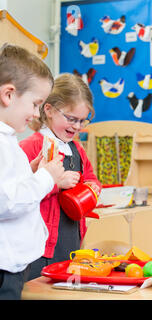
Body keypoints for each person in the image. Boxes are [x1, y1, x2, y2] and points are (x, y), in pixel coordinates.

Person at [20, 73, 101, 280]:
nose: (77, 127)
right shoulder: (33, 146)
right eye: (71, 119)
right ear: (48, 110)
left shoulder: (76, 149)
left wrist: (92, 187)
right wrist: (56, 184)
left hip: (70, 240)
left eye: (82, 121)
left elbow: (91, 177)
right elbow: (19, 195)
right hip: (39, 249)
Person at [0, 44, 64, 299]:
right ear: (9, 95)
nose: (36, 114)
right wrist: (46, 177)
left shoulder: (8, 140)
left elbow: (9, 185)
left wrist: (31, 171)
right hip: (4, 269)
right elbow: (7, 201)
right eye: (35, 104)